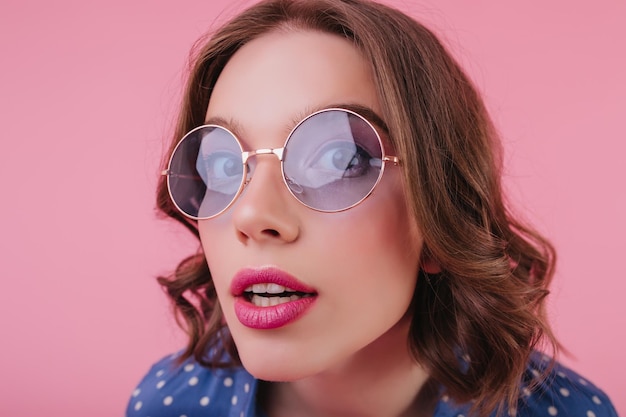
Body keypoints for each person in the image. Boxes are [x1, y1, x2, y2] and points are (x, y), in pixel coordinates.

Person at [126, 0, 618, 416]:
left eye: (340, 159)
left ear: (438, 214)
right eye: (222, 166)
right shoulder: (169, 403)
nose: (253, 217)